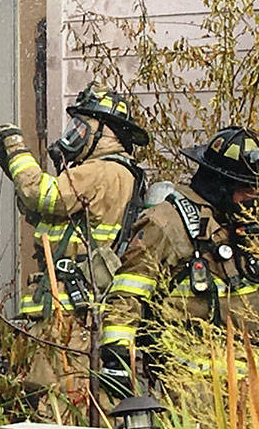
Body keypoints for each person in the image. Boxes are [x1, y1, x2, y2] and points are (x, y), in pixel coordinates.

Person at [0, 85, 148, 404]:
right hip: (68, 314)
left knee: (57, 405)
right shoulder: (113, 174)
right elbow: (43, 211)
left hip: (68, 318)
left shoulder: (102, 171)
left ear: (105, 132)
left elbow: (41, 194)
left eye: (82, 127)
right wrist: (8, 164)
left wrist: (16, 148)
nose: (74, 135)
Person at [101, 126, 259, 393]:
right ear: (220, 184)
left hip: (250, 377)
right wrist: (117, 359)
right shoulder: (167, 223)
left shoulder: (240, 222)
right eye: (248, 190)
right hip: (195, 383)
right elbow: (128, 292)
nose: (254, 199)